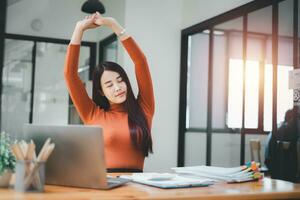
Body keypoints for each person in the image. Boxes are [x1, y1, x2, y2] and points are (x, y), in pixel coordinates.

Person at [64, 12, 155, 172]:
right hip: (103, 187)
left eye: (120, 80)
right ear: (101, 92)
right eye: (109, 85)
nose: (118, 88)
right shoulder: (92, 114)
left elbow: (140, 61)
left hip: (137, 187)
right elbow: (70, 75)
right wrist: (79, 29)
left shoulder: (144, 109)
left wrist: (114, 25)